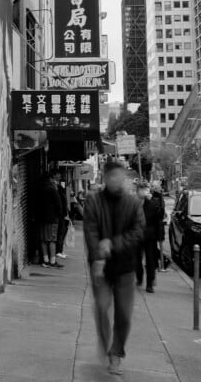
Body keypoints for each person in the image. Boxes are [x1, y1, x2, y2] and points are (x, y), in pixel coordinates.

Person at [83, 159, 145, 376]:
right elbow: (90, 231)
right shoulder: (93, 201)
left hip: (125, 267)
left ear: (125, 177)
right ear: (105, 178)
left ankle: (116, 353)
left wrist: (113, 243)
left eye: (120, 176)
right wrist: (98, 254)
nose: (117, 180)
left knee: (124, 315)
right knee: (101, 307)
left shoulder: (133, 203)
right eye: (112, 177)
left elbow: (138, 233)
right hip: (100, 266)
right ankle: (105, 340)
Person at [135, 181, 162, 292]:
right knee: (137, 259)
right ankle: (139, 276)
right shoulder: (133, 204)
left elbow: (158, 222)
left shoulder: (153, 204)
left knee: (150, 260)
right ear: (137, 192)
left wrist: (161, 237)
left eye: (144, 189)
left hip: (150, 236)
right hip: (136, 236)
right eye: (140, 190)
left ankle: (149, 283)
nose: (143, 192)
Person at [37, 169, 63, 268]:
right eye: (53, 178)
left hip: (41, 218)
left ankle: (45, 260)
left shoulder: (40, 188)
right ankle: (52, 261)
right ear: (51, 178)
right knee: (52, 240)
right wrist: (59, 215)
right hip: (52, 218)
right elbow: (58, 204)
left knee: (43, 239)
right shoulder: (52, 189)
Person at [55, 170, 70, 259]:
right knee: (60, 233)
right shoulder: (57, 188)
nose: (60, 175)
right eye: (58, 173)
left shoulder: (58, 187)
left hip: (62, 214)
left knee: (62, 232)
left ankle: (60, 250)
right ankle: (58, 251)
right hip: (60, 215)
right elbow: (61, 202)